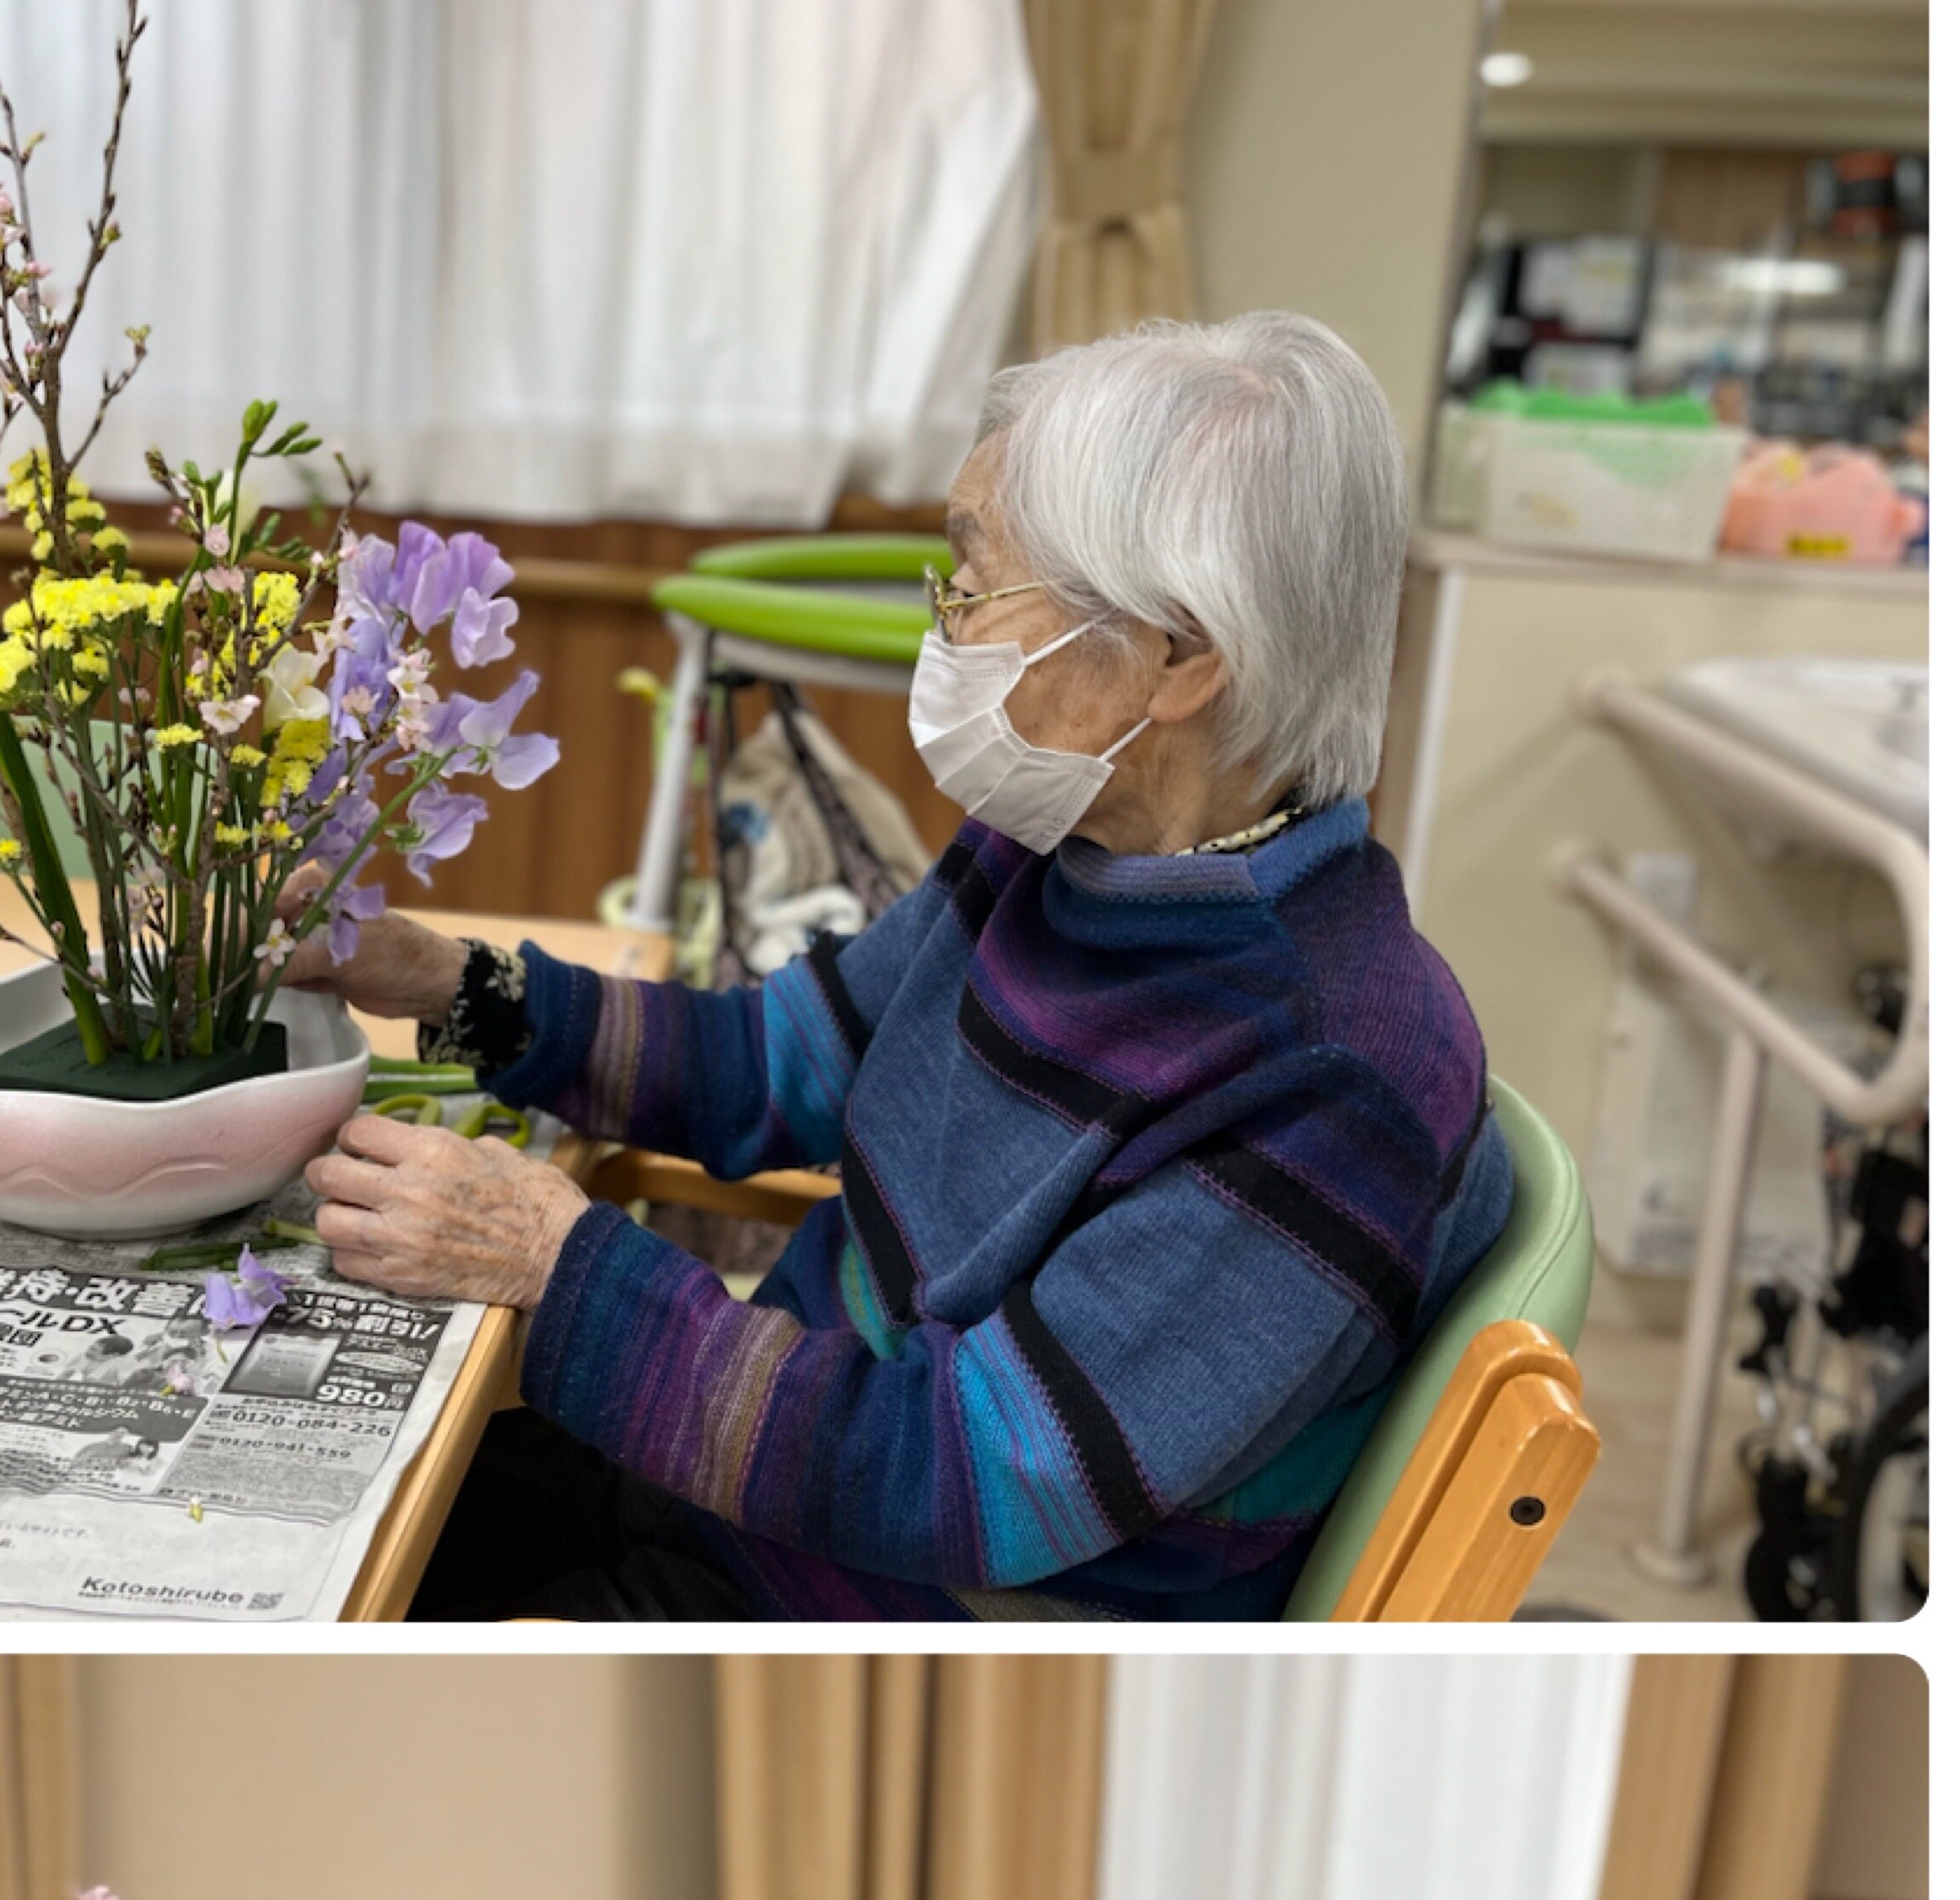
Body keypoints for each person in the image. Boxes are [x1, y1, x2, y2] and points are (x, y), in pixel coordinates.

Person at [286, 314, 1512, 1619]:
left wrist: (559, 1259)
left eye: (974, 585)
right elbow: (772, 1064)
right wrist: (446, 978)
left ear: (1176, 655)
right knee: (323, 1525)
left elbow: (969, 1481)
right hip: (764, 1489)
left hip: (892, 1614)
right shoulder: (1053, 852)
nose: (946, 628)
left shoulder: (1335, 1074)